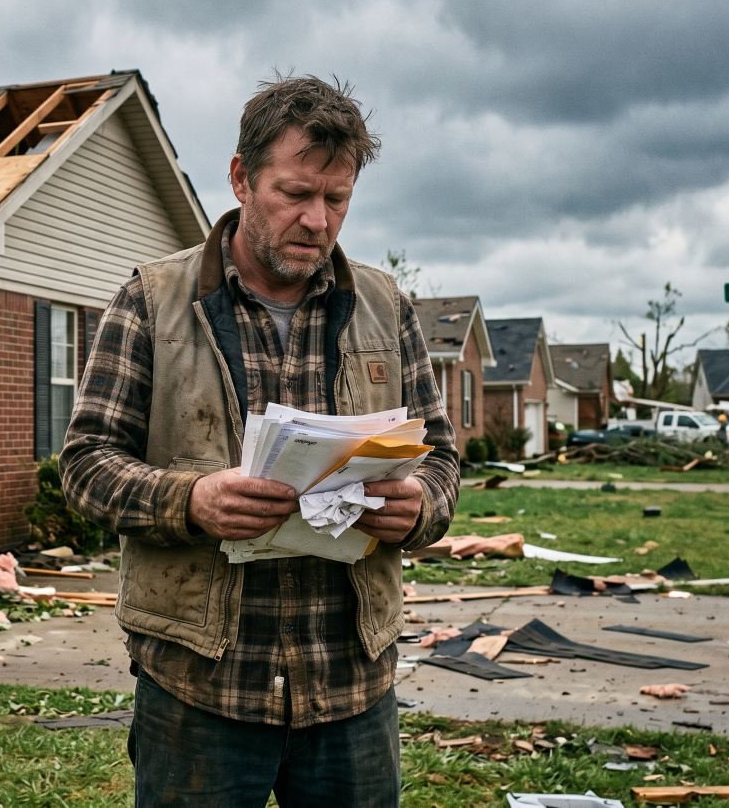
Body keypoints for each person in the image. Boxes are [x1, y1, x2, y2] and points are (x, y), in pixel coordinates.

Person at [60, 76, 459, 807]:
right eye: (295, 193)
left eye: (336, 200)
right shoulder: (153, 299)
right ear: (241, 178)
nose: (316, 220)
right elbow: (86, 465)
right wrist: (191, 500)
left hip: (350, 686)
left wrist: (419, 507)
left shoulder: (386, 306)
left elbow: (438, 456)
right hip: (202, 684)